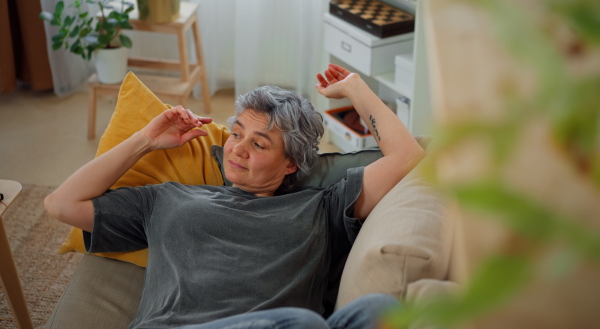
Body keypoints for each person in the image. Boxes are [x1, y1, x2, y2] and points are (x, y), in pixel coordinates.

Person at [45, 64, 425, 329]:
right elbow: (61, 204)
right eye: (236, 133)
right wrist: (146, 140)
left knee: (379, 310)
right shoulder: (168, 200)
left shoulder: (320, 207)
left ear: (291, 164)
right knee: (304, 323)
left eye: (258, 144)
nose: (238, 149)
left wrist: (355, 87)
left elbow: (408, 157)